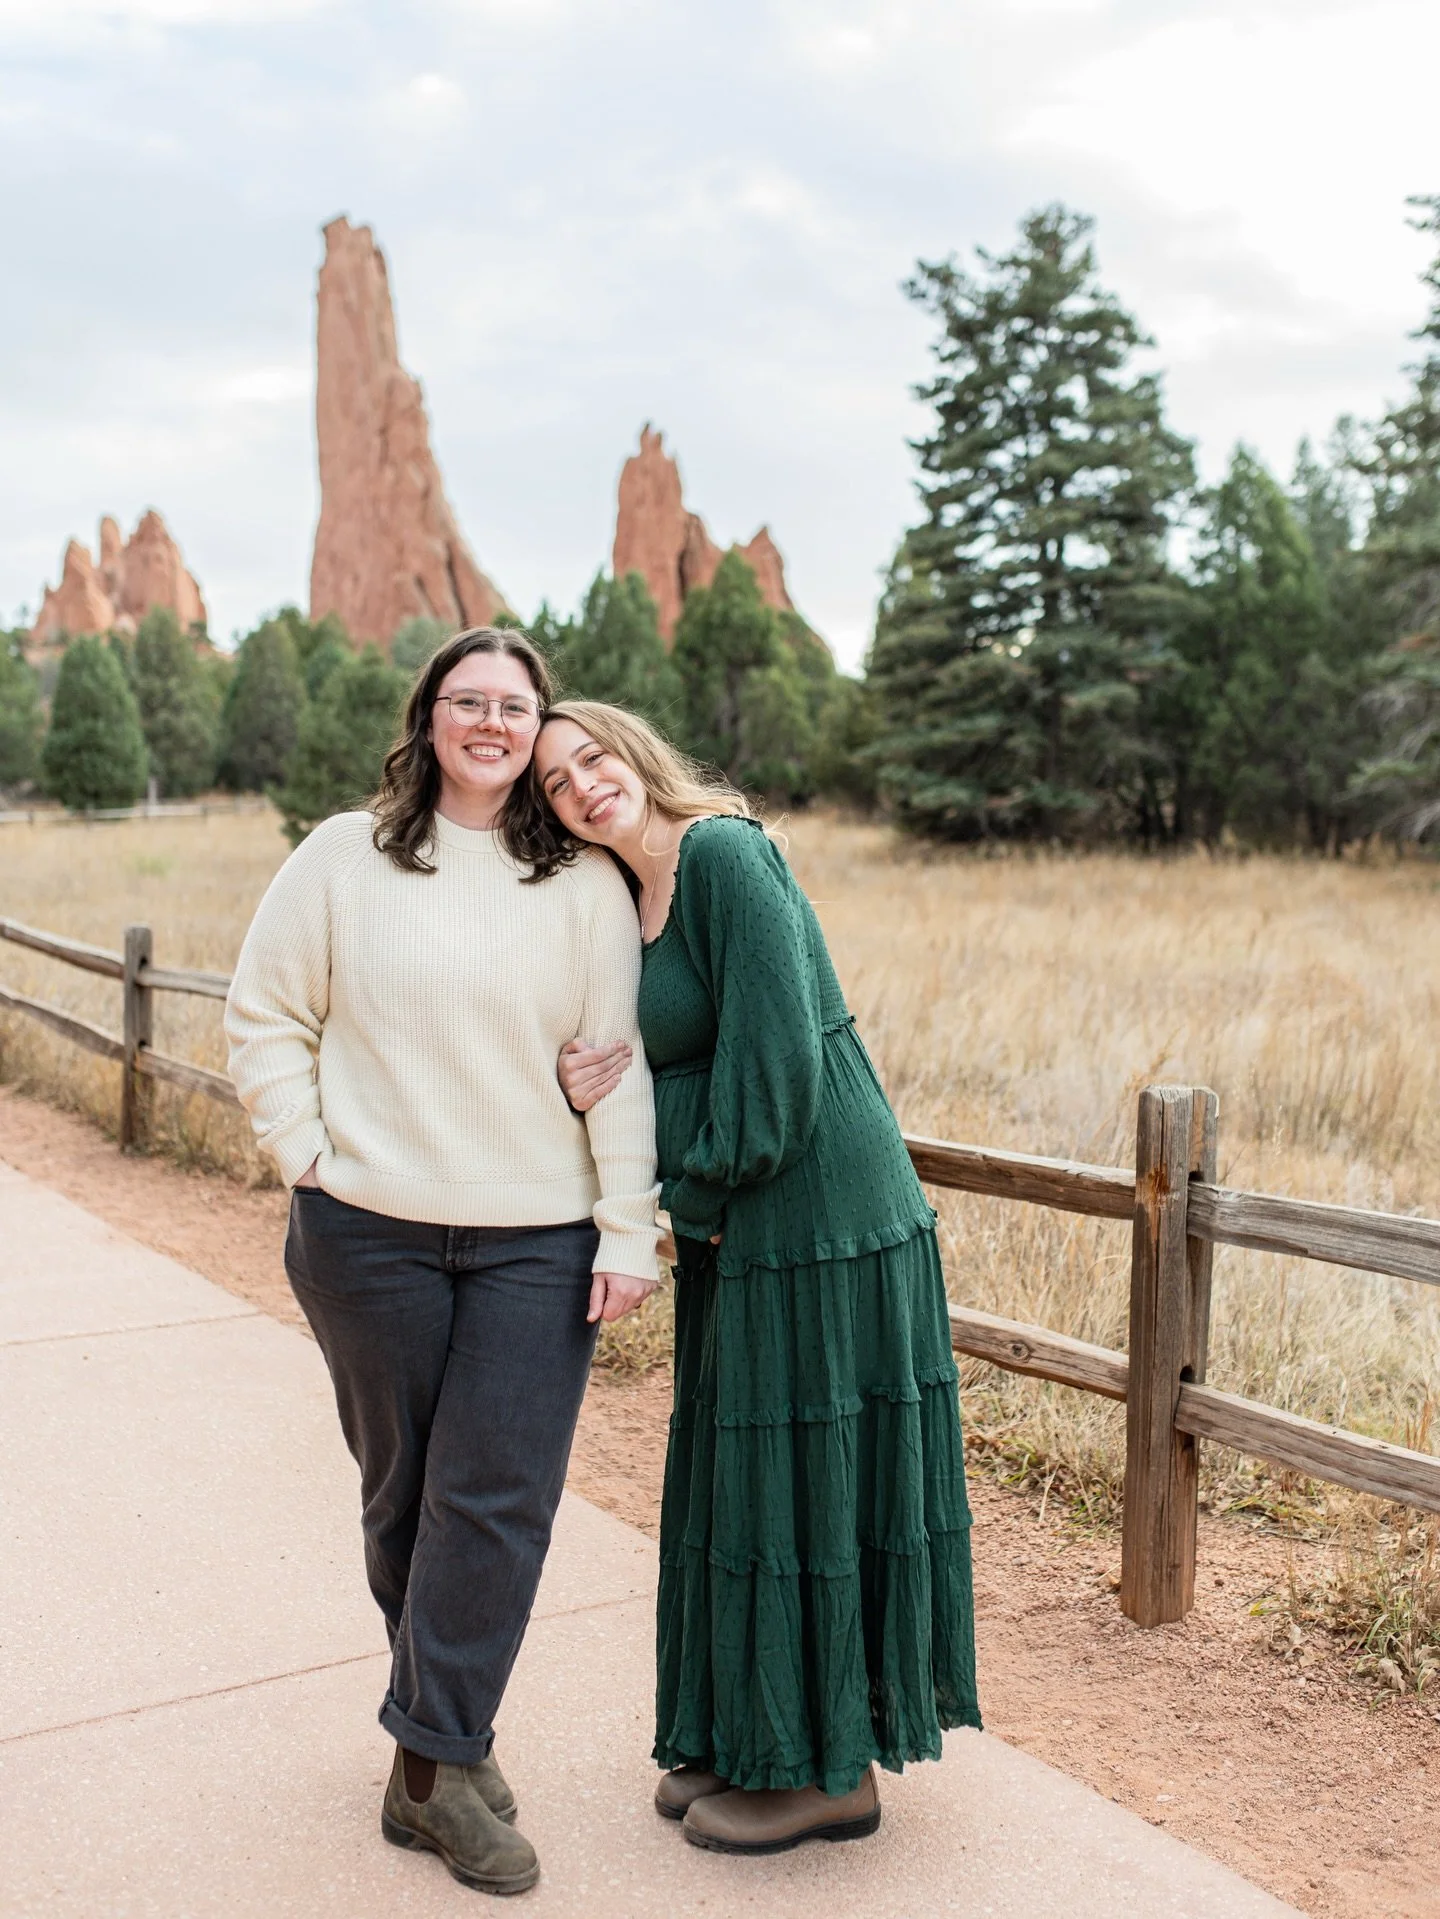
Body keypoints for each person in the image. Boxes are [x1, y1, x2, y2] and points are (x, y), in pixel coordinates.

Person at [225, 633, 659, 1897]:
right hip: (367, 1231)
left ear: (535, 731)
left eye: (513, 706)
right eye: (466, 700)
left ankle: (426, 1772)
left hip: (538, 1233)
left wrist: (628, 1227)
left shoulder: (578, 883)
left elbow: (613, 1068)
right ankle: (452, 1734)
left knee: (499, 1493)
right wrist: (307, 1152)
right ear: (426, 719)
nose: (490, 722)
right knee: (406, 1492)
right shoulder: (339, 857)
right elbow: (266, 1013)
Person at [532, 699, 980, 1857]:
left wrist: (658, 1149)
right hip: (741, 1221)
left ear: (636, 751)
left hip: (822, 1212)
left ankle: (827, 1770)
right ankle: (748, 1730)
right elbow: (680, 1058)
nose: (583, 785)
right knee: (743, 1477)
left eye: (593, 757)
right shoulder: (621, 902)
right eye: (555, 783)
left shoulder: (724, 852)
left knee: (805, 1480)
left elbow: (776, 1072)